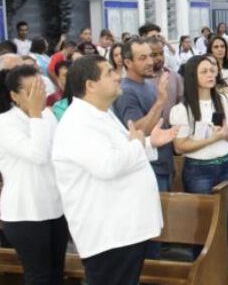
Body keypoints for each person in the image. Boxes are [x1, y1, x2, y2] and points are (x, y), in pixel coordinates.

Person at [52, 55, 176, 284]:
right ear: (90, 85)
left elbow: (120, 152)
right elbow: (107, 166)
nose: (117, 76)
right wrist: (138, 144)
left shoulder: (101, 113)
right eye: (109, 73)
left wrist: (150, 143)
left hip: (124, 229)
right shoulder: (78, 122)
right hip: (109, 232)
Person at [170, 55, 228, 274]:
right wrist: (212, 139)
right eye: (204, 71)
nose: (211, 75)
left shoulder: (224, 100)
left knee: (227, 224)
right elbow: (180, 146)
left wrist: (226, 133)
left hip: (225, 165)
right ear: (193, 76)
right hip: (199, 170)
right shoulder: (182, 109)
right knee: (204, 226)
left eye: (212, 70)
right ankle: (203, 274)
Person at [0, 65, 67, 284]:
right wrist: (36, 115)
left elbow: (59, 154)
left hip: (55, 207)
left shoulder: (48, 116)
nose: (39, 95)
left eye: (40, 87)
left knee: (57, 273)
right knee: (38, 275)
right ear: (14, 96)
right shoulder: (5, 123)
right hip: (25, 212)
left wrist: (39, 115)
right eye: (30, 91)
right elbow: (37, 154)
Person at [112, 38, 174, 194]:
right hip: (149, 168)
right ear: (128, 62)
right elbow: (138, 131)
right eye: (142, 58)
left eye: (150, 56)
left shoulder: (148, 84)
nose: (150, 62)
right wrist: (160, 101)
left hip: (163, 164)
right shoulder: (126, 91)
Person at [207, 36, 228, 101]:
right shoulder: (207, 67)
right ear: (210, 50)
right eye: (216, 47)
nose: (220, 49)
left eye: (222, 46)